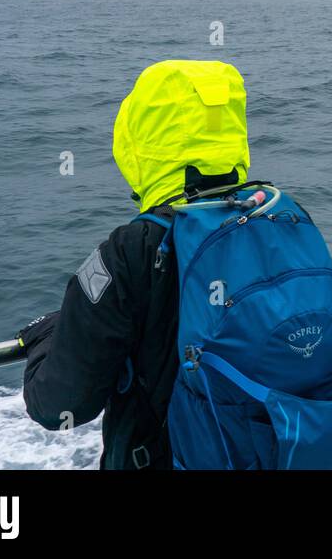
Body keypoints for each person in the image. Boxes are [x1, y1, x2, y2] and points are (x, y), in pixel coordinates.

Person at [19, 60, 254, 469]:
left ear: (140, 138)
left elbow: (57, 405)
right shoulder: (278, 220)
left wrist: (47, 337)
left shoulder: (132, 251)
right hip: (270, 452)